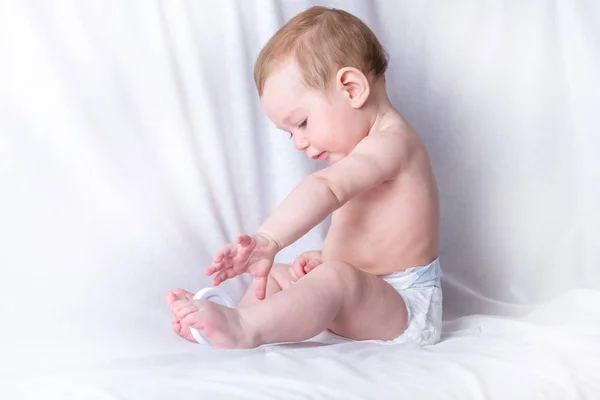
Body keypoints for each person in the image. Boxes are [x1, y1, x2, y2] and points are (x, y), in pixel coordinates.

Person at [166, 5, 442, 349]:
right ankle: (228, 322)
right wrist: (327, 258)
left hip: (404, 306)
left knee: (336, 279)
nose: (299, 142)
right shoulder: (359, 151)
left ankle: (243, 327)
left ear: (352, 88)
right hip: (366, 293)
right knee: (278, 275)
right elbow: (373, 236)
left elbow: (326, 188)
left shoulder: (393, 144)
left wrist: (269, 238)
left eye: (302, 123)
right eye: (289, 133)